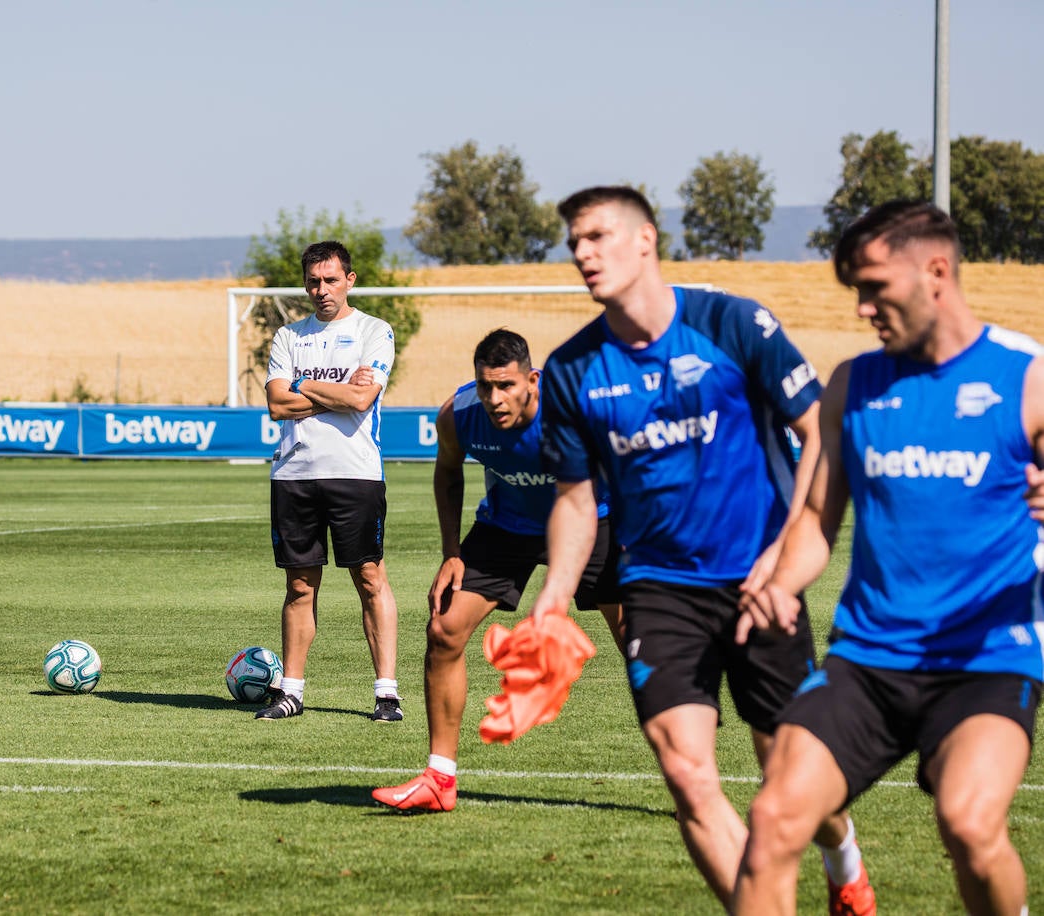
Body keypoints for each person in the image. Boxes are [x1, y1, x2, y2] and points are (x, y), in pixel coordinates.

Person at [528, 186, 874, 913]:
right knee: (688, 776)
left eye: (597, 237)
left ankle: (843, 858)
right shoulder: (569, 371)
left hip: (760, 580)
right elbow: (573, 500)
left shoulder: (733, 321)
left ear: (646, 239)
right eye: (574, 244)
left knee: (793, 782)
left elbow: (819, 432)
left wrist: (781, 556)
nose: (583, 255)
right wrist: (555, 597)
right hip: (656, 586)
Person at [732, 201, 1043, 916]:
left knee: (968, 822)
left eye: (876, 288)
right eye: (856, 292)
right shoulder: (852, 384)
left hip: (987, 660)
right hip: (868, 660)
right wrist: (781, 584)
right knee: (776, 818)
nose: (864, 308)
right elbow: (814, 518)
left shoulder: (1026, 377)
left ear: (936, 271)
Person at [372, 329, 623, 812]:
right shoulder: (460, 415)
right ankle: (439, 779)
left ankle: (689, 780)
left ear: (532, 379)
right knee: (444, 629)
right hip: (507, 526)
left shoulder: (576, 409)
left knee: (643, 645)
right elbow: (447, 470)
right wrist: (452, 552)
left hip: (595, 516)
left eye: (506, 385)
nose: (494, 398)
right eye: (486, 385)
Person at [257, 240, 402, 722]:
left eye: (331, 280)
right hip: (294, 474)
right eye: (314, 281)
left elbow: (363, 401)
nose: (322, 290)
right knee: (300, 586)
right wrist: (334, 393)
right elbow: (278, 405)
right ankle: (291, 692)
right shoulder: (287, 337)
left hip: (356, 474)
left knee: (369, 577)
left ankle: (386, 694)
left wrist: (304, 386)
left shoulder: (374, 331)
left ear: (350, 280)